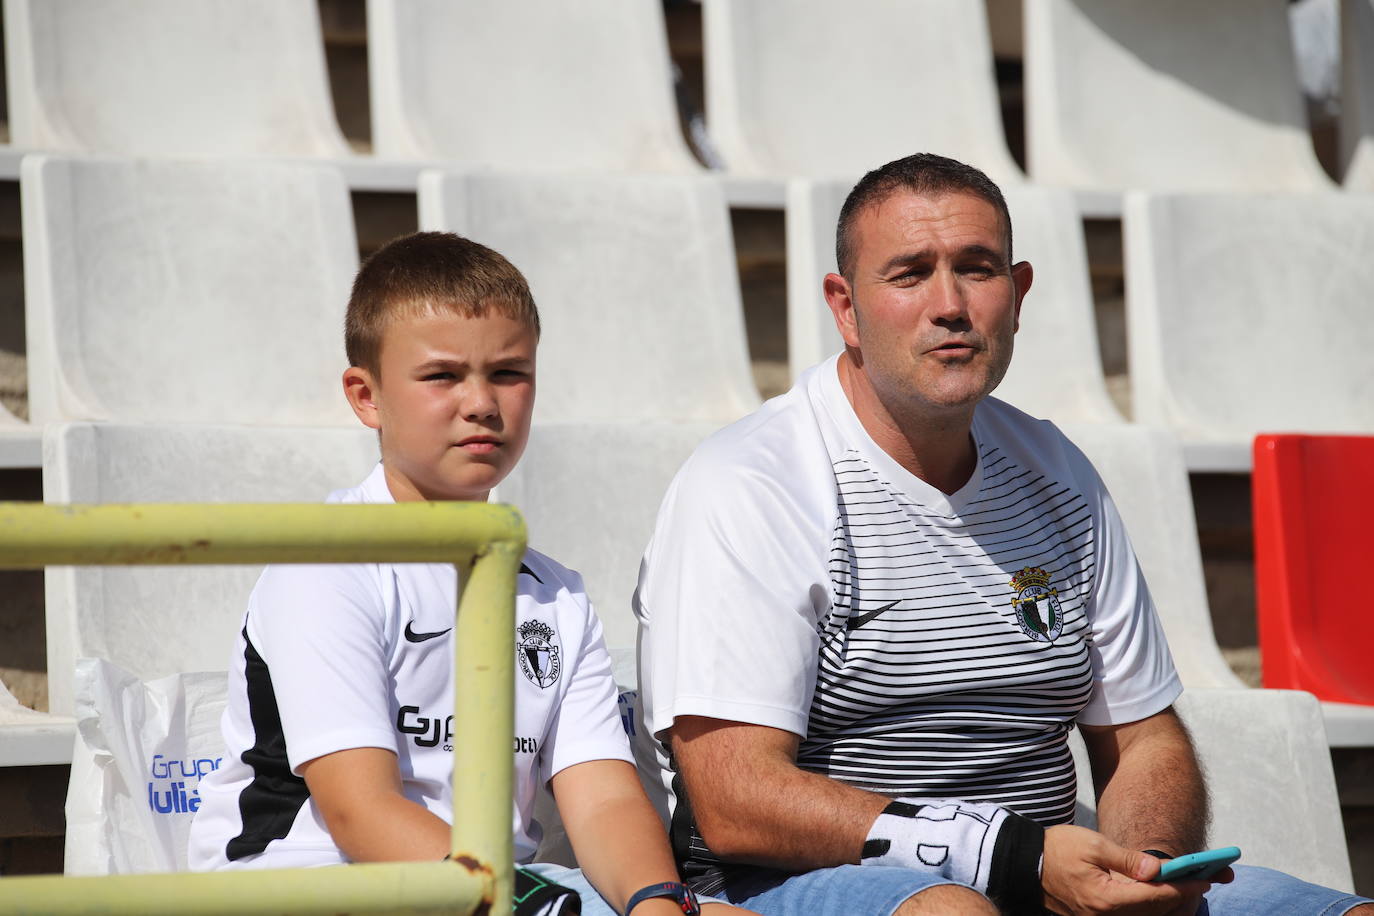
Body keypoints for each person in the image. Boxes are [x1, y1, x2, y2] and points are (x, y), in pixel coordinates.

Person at [633, 154, 1373, 916]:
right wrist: (1011, 859)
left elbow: (1145, 738)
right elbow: (736, 800)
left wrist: (1142, 869)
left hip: (1047, 878)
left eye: (977, 270)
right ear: (845, 306)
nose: (949, 304)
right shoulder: (750, 484)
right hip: (790, 886)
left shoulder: (1061, 476)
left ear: (1017, 296)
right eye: (910, 273)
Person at [188, 231, 753, 916]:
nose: (482, 402)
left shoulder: (557, 595)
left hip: (502, 896)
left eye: (509, 373)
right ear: (365, 396)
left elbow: (602, 796)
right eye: (443, 376)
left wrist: (657, 905)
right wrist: (541, 907)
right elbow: (360, 812)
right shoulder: (326, 565)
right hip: (313, 891)